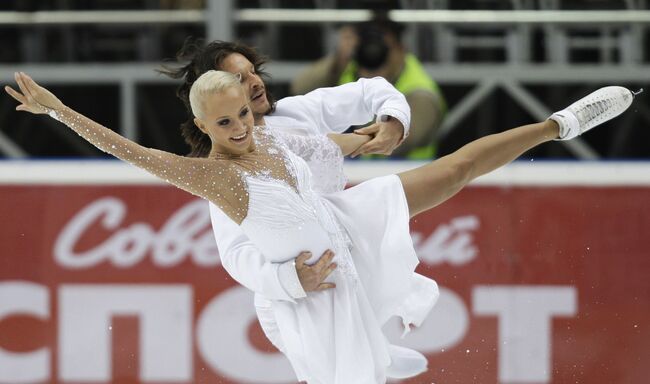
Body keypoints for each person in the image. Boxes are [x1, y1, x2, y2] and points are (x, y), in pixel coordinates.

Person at [5, 71, 636, 383]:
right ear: (204, 129)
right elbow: (134, 155)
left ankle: (560, 124)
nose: (240, 130)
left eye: (241, 115)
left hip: (347, 230)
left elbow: (346, 136)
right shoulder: (215, 178)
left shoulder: (275, 134)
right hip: (318, 289)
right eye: (223, 126)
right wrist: (59, 111)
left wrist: (384, 122)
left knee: (457, 167)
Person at [159, 39, 420, 360]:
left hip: (345, 260)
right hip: (294, 298)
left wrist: (394, 120)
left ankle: (378, 356)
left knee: (369, 359)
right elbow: (235, 252)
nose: (255, 82)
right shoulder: (227, 171)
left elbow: (371, 91)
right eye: (239, 80)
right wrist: (289, 280)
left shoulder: (295, 113)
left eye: (253, 72)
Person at [291, 16, 446, 159]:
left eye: (381, 47)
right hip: (350, 173)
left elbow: (397, 140)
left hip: (404, 175)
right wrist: (338, 61)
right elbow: (299, 89)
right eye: (367, 46)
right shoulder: (348, 66)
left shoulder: (420, 91)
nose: (373, 52)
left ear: (401, 49)